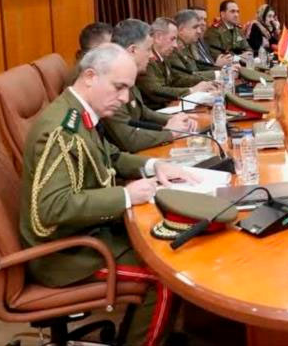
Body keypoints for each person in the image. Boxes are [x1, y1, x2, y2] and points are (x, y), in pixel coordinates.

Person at [19, 43, 200, 346]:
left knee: (167, 245)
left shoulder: (79, 112)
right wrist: (126, 196)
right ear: (90, 77)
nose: (126, 98)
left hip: (89, 232)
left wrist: (155, 165)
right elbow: (52, 207)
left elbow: (110, 156)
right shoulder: (62, 130)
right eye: (119, 87)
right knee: (166, 275)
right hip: (64, 254)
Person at [105, 19, 197, 152]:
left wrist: (173, 119)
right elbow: (128, 139)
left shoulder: (126, 74)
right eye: (148, 49)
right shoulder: (111, 81)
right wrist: (170, 132)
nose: (150, 56)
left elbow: (142, 112)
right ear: (133, 50)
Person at [136, 18, 217, 110]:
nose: (175, 45)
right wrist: (191, 90)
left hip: (169, 107)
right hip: (157, 112)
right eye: (172, 39)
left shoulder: (163, 57)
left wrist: (203, 85)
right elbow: (156, 91)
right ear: (158, 37)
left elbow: (176, 80)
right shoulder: (146, 60)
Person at [168, 10, 220, 83]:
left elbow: (197, 66)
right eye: (195, 27)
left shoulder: (187, 44)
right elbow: (182, 78)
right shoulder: (172, 48)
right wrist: (217, 74)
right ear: (181, 30)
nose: (199, 31)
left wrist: (222, 70)